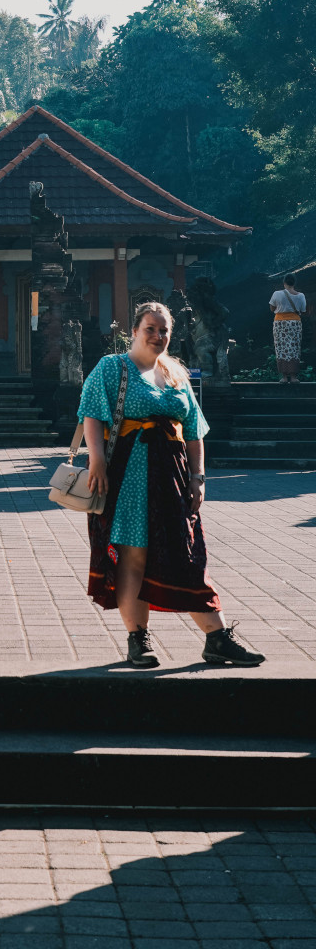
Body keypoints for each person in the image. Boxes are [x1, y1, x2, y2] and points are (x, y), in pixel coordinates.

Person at [79, 301, 265, 669]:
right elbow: (92, 414)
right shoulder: (112, 368)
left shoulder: (176, 373)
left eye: (164, 330)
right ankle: (138, 640)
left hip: (175, 477)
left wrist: (199, 477)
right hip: (129, 475)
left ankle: (217, 638)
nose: (159, 336)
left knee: (187, 550)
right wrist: (96, 459)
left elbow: (194, 432)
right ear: (133, 330)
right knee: (133, 555)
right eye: (151, 328)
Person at [270, 274, 306, 383]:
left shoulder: (277, 294)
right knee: (294, 347)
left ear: (284, 283)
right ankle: (294, 377)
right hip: (294, 323)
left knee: (281, 348)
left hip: (280, 323)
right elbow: (303, 311)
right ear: (294, 283)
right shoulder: (301, 296)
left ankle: (284, 377)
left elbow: (272, 308)